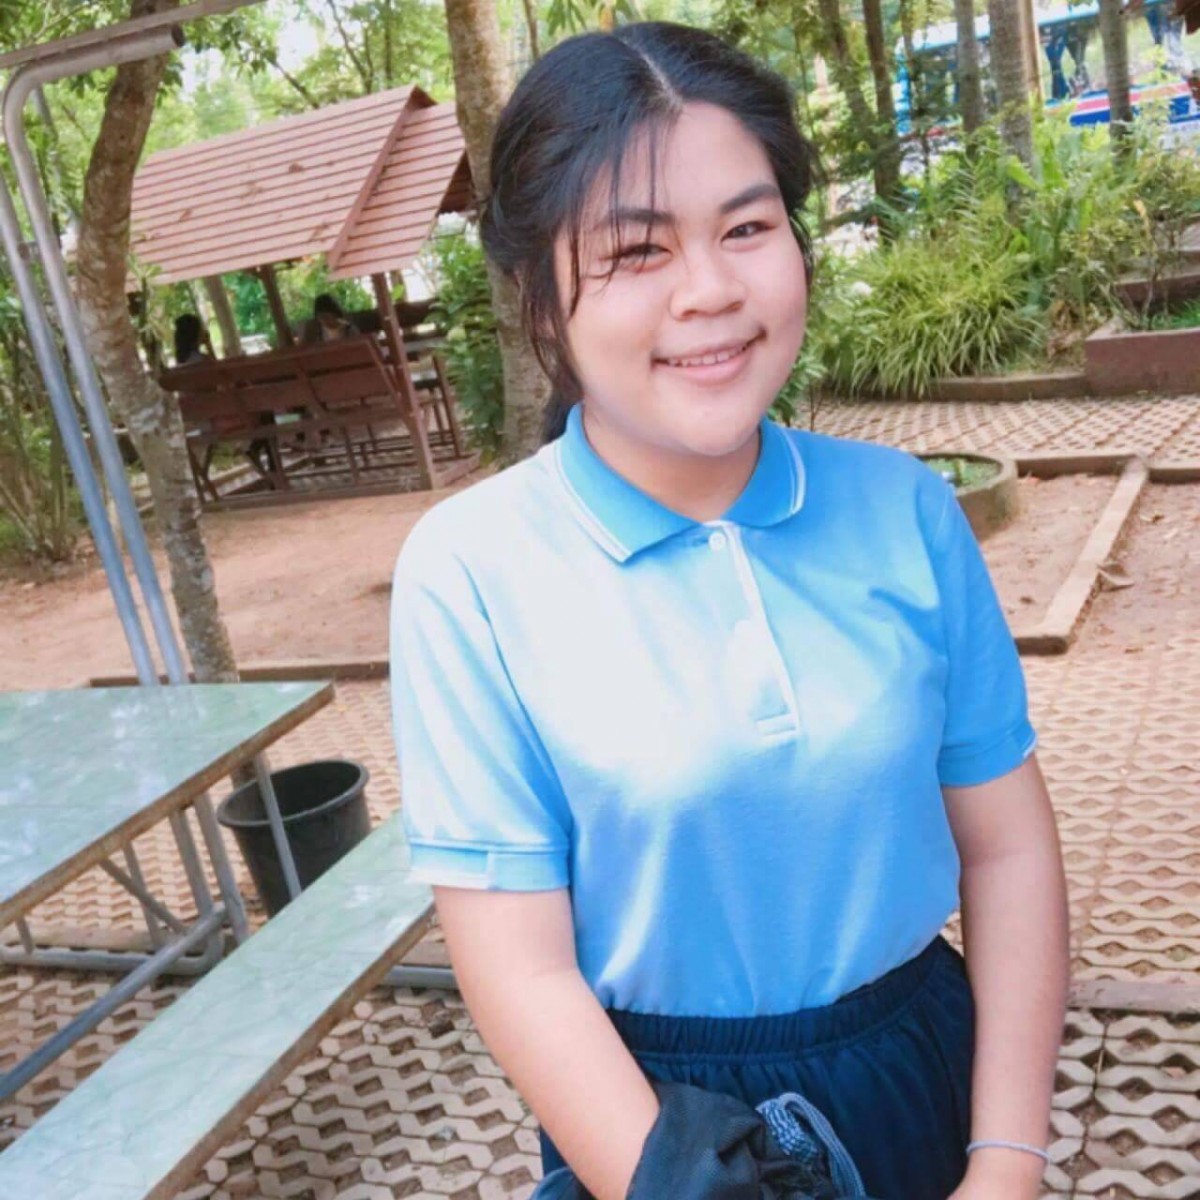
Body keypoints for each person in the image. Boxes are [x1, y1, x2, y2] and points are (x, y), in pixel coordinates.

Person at [389, 22, 1069, 1200]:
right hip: (647, 1127)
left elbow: (1006, 848)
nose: (709, 291)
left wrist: (1007, 1157)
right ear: (541, 298)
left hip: (927, 1076)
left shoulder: (906, 512)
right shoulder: (470, 571)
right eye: (636, 249)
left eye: (747, 228)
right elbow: (519, 970)